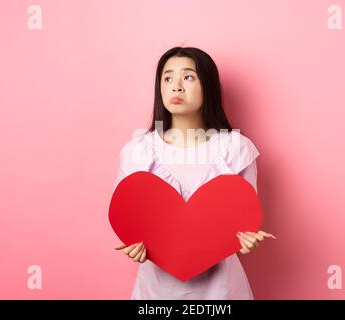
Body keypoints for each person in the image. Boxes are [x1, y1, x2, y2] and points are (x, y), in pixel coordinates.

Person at [112, 46, 276, 299]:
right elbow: (127, 218)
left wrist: (246, 239)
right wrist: (135, 245)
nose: (176, 86)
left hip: (221, 293)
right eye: (167, 78)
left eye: (188, 77)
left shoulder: (235, 149)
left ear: (208, 86)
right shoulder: (138, 151)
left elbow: (245, 218)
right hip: (156, 294)